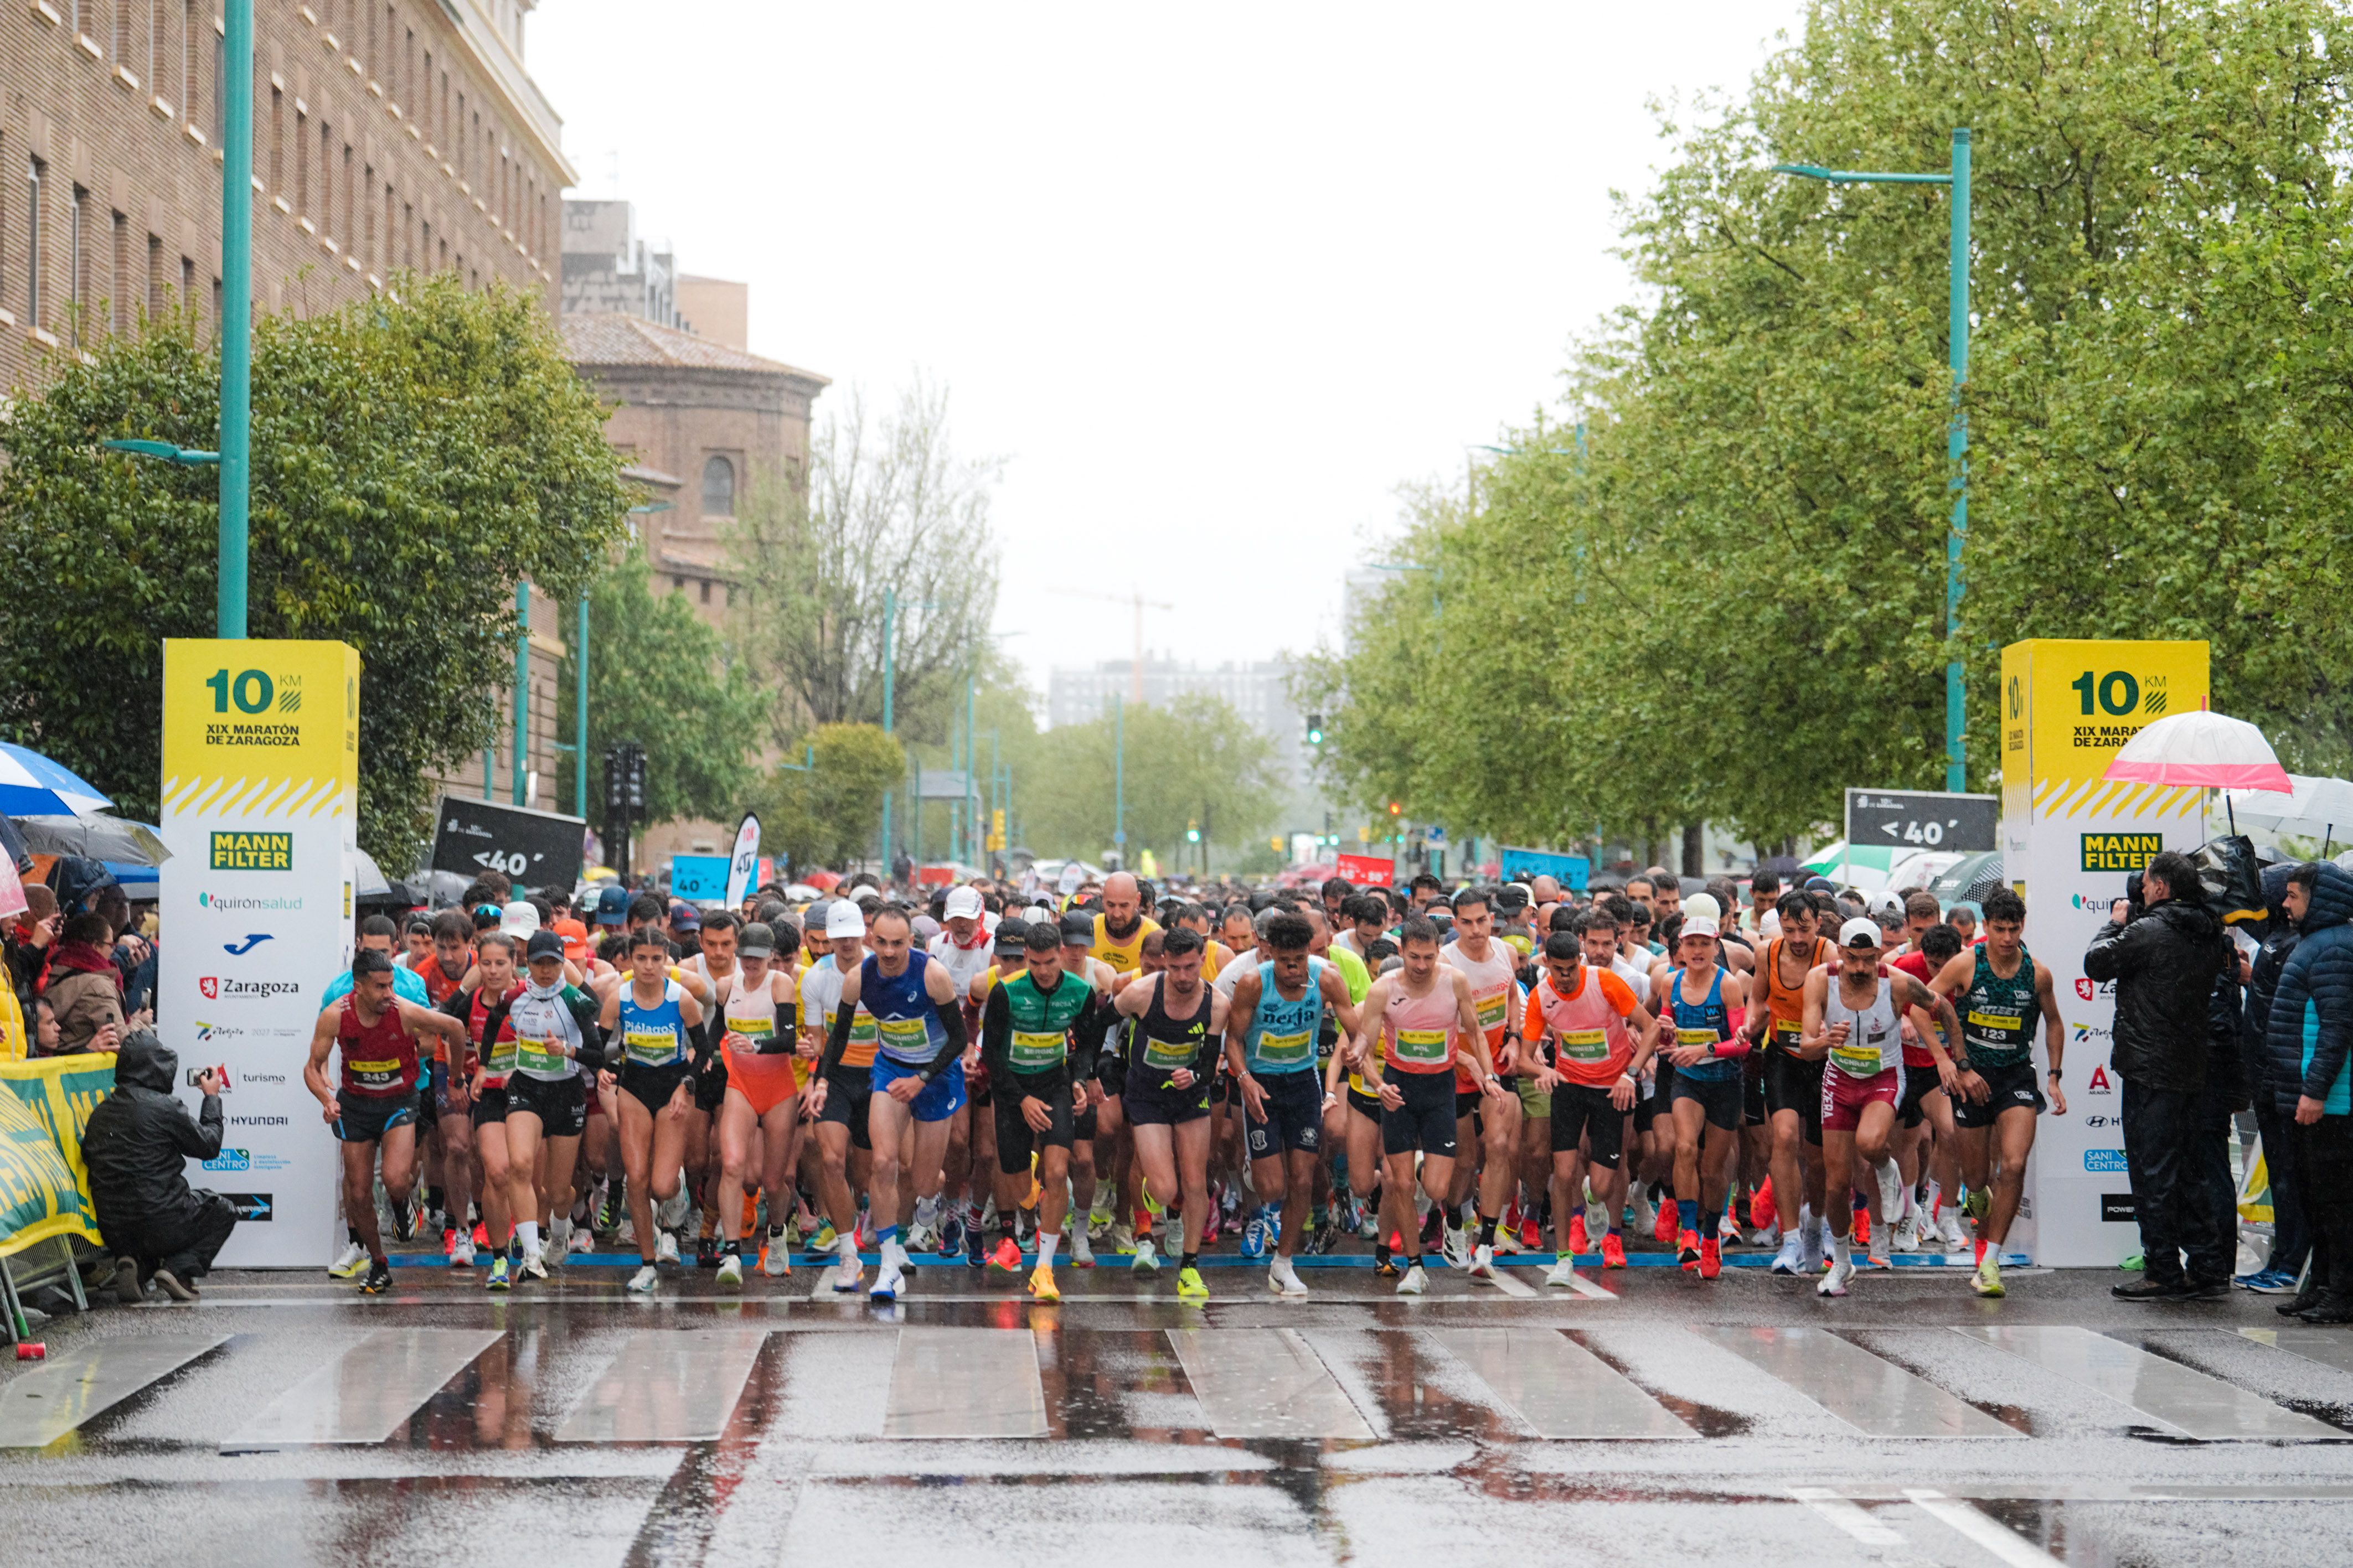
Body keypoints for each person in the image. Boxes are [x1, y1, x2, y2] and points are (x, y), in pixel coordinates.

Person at [2086, 850, 2235, 1301]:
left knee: (2152, 1172)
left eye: (2148, 882)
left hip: (2150, 1068)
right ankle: (2208, 1265)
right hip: (2191, 1066)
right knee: (2189, 1169)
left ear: (2162, 887)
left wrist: (2115, 922)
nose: (2144, 888)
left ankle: (2163, 1269)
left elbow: (2096, 963)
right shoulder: (2209, 931)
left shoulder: (2149, 929)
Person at [814, 905, 968, 1302]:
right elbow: (838, 1036)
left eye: (897, 944)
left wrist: (922, 1079)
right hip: (890, 1070)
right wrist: (822, 1080)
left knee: (922, 1180)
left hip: (935, 1076)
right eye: (881, 942)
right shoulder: (859, 977)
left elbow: (959, 1040)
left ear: (911, 942)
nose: (888, 951)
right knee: (883, 1164)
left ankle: (931, 1197)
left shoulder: (932, 975)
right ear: (871, 940)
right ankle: (888, 1267)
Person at [1802, 917, 1959, 1298]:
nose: (1860, 968)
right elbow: (1805, 1046)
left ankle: (1889, 1171)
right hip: (1839, 1080)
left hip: (1884, 1077)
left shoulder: (1899, 982)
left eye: (1869, 959)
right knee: (1837, 1184)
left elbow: (1943, 1009)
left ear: (1879, 955)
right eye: (1852, 959)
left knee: (1871, 1143)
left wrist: (1958, 1059)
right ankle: (1842, 1263)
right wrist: (1826, 1041)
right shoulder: (1820, 979)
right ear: (1840, 952)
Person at [1352, 916, 1504, 1296]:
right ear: (1402, 951)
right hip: (1399, 1090)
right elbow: (1365, 1047)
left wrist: (1489, 1076)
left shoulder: (1455, 981)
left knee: (1436, 1188)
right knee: (1401, 1184)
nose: (1421, 966)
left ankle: (1421, 1163)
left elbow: (1476, 1033)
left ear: (1439, 952)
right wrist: (1377, 1083)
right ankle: (1415, 1266)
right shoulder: (1383, 989)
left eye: (1429, 957)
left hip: (1440, 1090)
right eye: (1414, 957)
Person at [304, 949, 469, 1293]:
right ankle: (379, 1263)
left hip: (399, 1102)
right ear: (359, 987)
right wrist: (326, 1100)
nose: (388, 994)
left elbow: (454, 1028)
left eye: (391, 985)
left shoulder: (403, 1011)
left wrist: (456, 1079)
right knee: (359, 1192)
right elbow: (312, 1067)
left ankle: (401, 1202)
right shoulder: (335, 1015)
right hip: (356, 1105)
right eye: (380, 987)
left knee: (395, 1179)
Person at [1928, 888, 2066, 1297]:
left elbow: (2055, 1022)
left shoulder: (2038, 974)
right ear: (1985, 926)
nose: (2007, 938)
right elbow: (1919, 1006)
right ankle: (1976, 1197)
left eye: (2014, 929)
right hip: (1971, 1077)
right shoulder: (1965, 964)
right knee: (1976, 1178)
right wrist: (1947, 1061)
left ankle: (1991, 1263)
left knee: (2015, 1163)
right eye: (1999, 929)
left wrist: (2054, 1076)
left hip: (2016, 1077)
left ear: (2023, 927)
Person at [1225, 911, 1360, 1296]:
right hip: (1262, 1085)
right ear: (1269, 953)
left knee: (1303, 1178)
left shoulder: (1326, 979)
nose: (1293, 969)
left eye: (1300, 960)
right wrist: (1244, 1079)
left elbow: (1357, 1028)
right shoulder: (1252, 984)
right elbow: (1233, 1040)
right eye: (1285, 961)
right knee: (1271, 1188)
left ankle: (1283, 1263)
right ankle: (1256, 1165)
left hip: (1303, 1083)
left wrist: (1358, 1051)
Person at [979, 922, 1111, 1301]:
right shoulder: (1006, 991)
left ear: (1062, 954)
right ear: (1026, 958)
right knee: (1022, 1190)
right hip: (1012, 1090)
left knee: (1057, 1172)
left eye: (1050, 962)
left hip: (1054, 1084)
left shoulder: (1080, 991)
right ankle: (1031, 1191)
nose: (1043, 971)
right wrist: (1021, 1099)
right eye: (1035, 963)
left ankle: (1044, 1268)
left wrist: (1079, 1080)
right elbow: (991, 1056)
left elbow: (1086, 1045)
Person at [1522, 929, 1658, 1282]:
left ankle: (1593, 1200)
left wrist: (1630, 1074)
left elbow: (1652, 1029)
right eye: (1558, 970)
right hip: (1569, 1087)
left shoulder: (1605, 982)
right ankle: (1564, 1258)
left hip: (1612, 1089)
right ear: (1547, 963)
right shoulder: (1541, 996)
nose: (1566, 977)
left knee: (1600, 1185)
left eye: (1571, 968)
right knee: (1564, 1171)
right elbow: (1523, 1059)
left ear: (1580, 960)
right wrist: (1542, 1071)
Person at [2264, 861, 2353, 1321]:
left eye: (2293, 894)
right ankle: (2321, 1285)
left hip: (2331, 1103)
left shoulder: (2334, 947)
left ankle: (2343, 1293)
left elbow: (2337, 1027)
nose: (2285, 903)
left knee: (2336, 1202)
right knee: (2316, 1199)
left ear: (2318, 899)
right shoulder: (2317, 943)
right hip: (2309, 1098)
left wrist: (2315, 1090)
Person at [85, 1031, 235, 1302]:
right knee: (222, 1210)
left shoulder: (100, 1113)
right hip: (163, 1221)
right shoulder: (165, 1107)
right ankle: (178, 1270)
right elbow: (209, 1145)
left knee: (151, 1217)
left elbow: (89, 1158)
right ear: (158, 1067)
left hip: (114, 1230)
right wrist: (211, 1097)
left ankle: (137, 1266)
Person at [1116, 925, 1225, 1296]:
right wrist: (1095, 1071)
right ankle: (1156, 1201)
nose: (1183, 976)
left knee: (1195, 1182)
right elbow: (1101, 1023)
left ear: (1202, 959)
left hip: (1190, 1096)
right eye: (1175, 968)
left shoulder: (1217, 1003)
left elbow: (1209, 1064)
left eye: (1190, 967)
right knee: (1165, 1190)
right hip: (1146, 1094)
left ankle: (1190, 1267)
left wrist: (1194, 1074)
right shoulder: (1141, 992)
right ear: (1165, 962)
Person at [600, 928, 709, 1295]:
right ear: (630, 960)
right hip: (634, 1087)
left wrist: (686, 1084)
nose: (648, 966)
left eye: (656, 959)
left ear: (666, 960)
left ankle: (678, 1194)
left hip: (673, 1089)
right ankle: (647, 1264)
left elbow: (704, 1051)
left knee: (662, 1185)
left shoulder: (681, 999)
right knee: (637, 1179)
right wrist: (599, 1068)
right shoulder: (618, 999)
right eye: (641, 959)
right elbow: (599, 1048)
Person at [711, 922, 802, 1286]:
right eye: (746, 956)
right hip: (741, 1084)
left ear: (770, 957)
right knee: (732, 1164)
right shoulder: (725, 986)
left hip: (779, 1087)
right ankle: (732, 1253)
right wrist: (699, 1063)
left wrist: (757, 1045)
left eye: (759, 958)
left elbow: (790, 1040)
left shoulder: (780, 983)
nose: (752, 963)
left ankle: (777, 1233)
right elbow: (716, 1034)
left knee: (774, 1180)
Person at [43, 912, 127, 1054]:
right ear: (96, 946)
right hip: (88, 1066)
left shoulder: (54, 968)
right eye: (111, 945)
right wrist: (140, 1024)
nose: (112, 952)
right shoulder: (98, 986)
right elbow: (122, 1042)